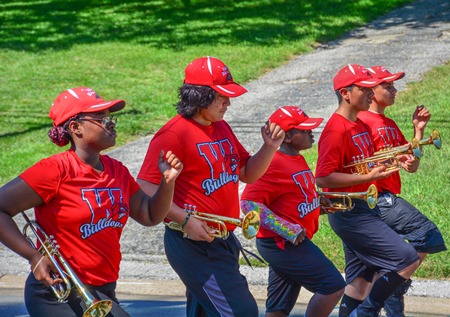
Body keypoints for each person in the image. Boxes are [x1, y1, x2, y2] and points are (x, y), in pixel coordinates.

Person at [0, 86, 183, 317]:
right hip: (58, 292)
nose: (111, 123)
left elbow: (149, 215)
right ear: (76, 127)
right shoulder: (54, 170)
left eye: (110, 117)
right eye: (100, 119)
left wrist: (167, 183)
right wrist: (34, 257)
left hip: (102, 290)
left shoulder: (118, 171)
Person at [137, 56, 285, 317]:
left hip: (221, 240)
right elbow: (145, 186)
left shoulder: (221, 127)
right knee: (241, 312)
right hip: (192, 243)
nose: (228, 102)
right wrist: (185, 220)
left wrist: (269, 148)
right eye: (221, 96)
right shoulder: (174, 134)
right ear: (199, 97)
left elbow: (246, 173)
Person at [314, 64, 421, 317]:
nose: (371, 94)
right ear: (345, 93)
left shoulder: (360, 125)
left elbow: (365, 162)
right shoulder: (335, 129)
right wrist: (369, 175)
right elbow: (323, 177)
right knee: (407, 258)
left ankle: (359, 310)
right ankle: (368, 312)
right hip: (349, 213)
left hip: (365, 208)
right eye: (364, 89)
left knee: (361, 282)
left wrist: (390, 163)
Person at [240, 106, 346, 317]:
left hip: (289, 242)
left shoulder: (296, 158)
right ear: (286, 136)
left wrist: (318, 205)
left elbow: (291, 197)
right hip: (282, 244)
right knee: (333, 286)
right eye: (304, 130)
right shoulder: (271, 163)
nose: (311, 133)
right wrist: (287, 229)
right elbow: (248, 204)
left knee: (278, 309)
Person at [358, 65, 447, 317]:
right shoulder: (361, 122)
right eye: (387, 86)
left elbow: (412, 165)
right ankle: (394, 286)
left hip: (387, 196)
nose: (394, 90)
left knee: (368, 274)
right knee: (426, 235)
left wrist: (418, 130)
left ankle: (390, 290)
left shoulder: (389, 123)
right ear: (371, 91)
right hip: (375, 199)